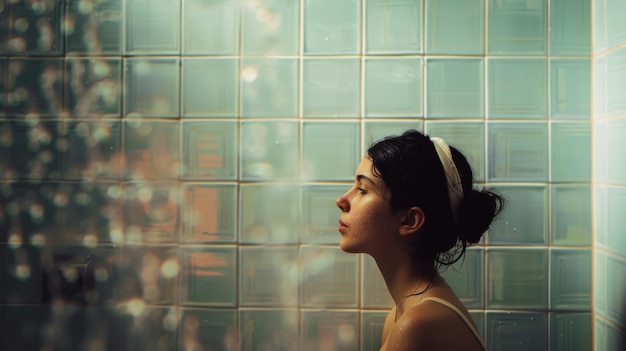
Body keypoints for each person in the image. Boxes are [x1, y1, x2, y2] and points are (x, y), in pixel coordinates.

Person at [336, 129, 504, 351]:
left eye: (363, 190)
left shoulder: (417, 324)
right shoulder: (401, 315)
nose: (342, 200)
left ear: (410, 221)